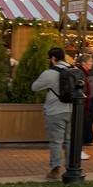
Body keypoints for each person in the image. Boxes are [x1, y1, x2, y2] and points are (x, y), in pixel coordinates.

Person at [31, 47, 75, 179]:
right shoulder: (74, 70)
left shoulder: (49, 73)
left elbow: (34, 87)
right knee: (69, 140)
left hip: (55, 110)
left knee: (56, 141)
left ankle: (55, 169)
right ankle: (71, 167)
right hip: (73, 110)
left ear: (53, 58)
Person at [76, 52, 93, 160]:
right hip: (82, 105)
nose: (92, 64)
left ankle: (79, 149)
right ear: (84, 63)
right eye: (90, 61)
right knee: (80, 128)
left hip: (84, 105)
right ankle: (78, 150)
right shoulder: (81, 74)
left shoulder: (84, 73)